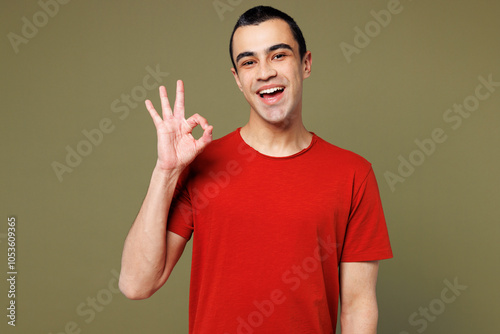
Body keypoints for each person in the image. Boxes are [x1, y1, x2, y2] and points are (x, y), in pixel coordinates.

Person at [119, 5, 393, 334]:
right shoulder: (202, 164)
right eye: (249, 62)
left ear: (305, 64)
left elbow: (358, 306)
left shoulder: (353, 174)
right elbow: (136, 284)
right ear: (238, 79)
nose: (264, 72)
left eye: (279, 55)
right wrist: (166, 172)